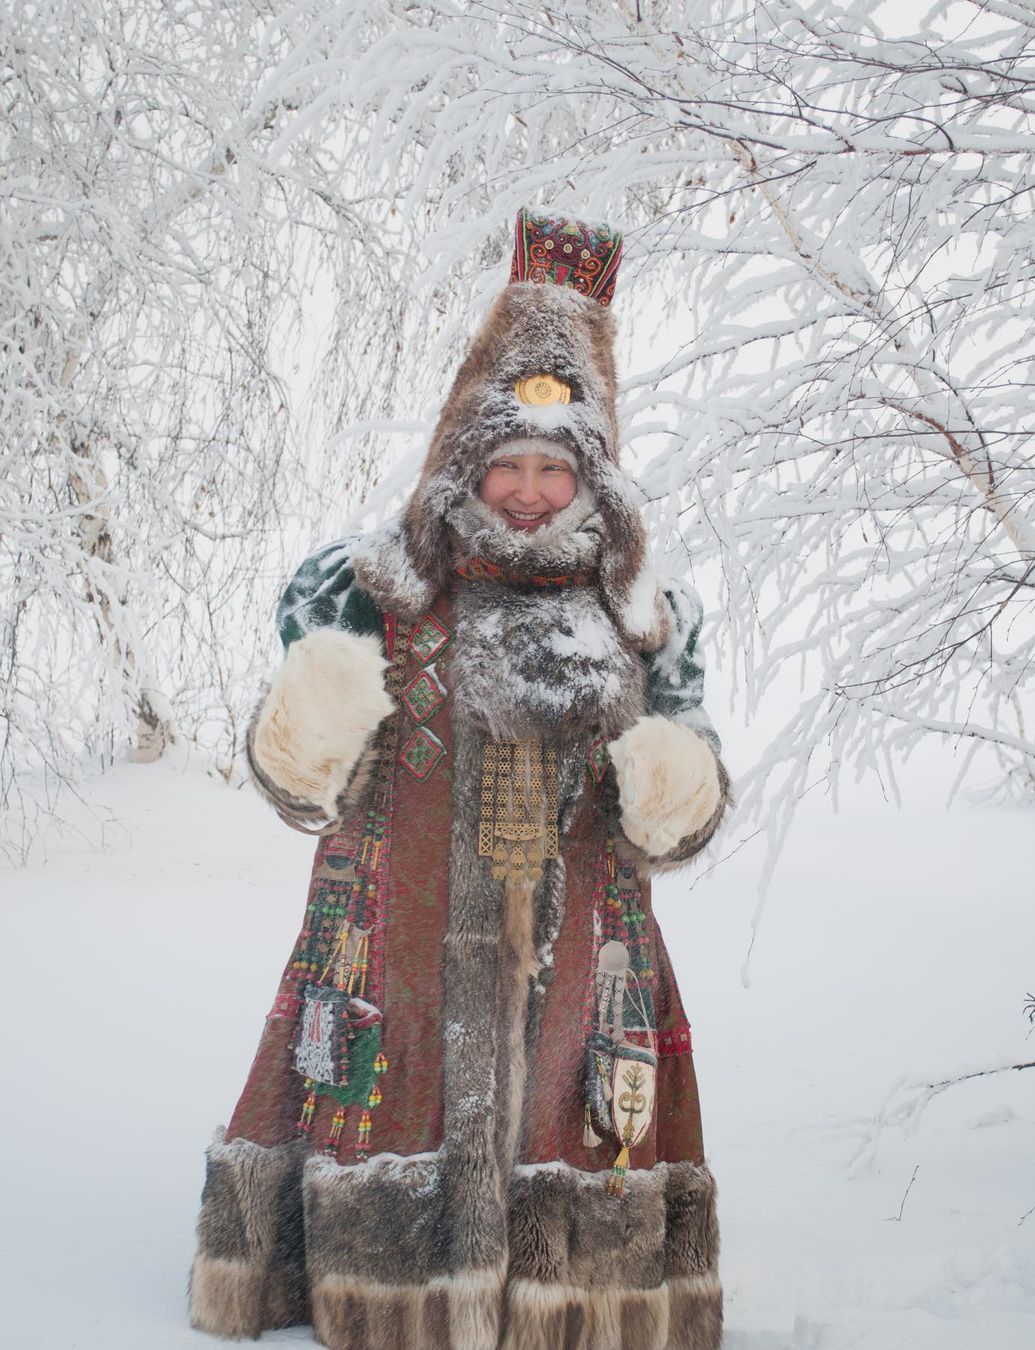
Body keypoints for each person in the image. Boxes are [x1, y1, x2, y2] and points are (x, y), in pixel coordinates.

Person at [190, 209, 731, 1350]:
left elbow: (684, 809)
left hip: (590, 958)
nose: (529, 491)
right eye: (508, 465)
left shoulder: (642, 621)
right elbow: (299, 794)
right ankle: (375, 1295)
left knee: (574, 1140)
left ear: (590, 480)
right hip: (394, 948)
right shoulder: (369, 591)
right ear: (465, 464)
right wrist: (306, 733)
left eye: (553, 468)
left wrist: (679, 790)